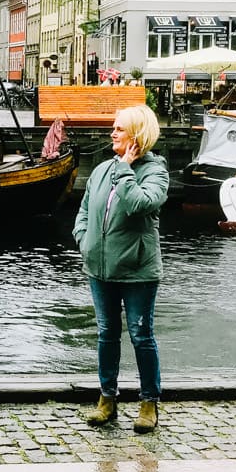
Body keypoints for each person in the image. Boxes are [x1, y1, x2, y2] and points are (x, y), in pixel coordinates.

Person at [72, 104, 168, 434]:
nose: (112, 133)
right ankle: (107, 400)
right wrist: (83, 239)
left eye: (119, 128)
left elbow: (139, 203)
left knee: (141, 335)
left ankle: (148, 403)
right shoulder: (101, 171)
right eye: (113, 127)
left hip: (138, 271)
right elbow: (84, 210)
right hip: (99, 268)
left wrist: (126, 168)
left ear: (137, 135)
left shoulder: (156, 173)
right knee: (106, 334)